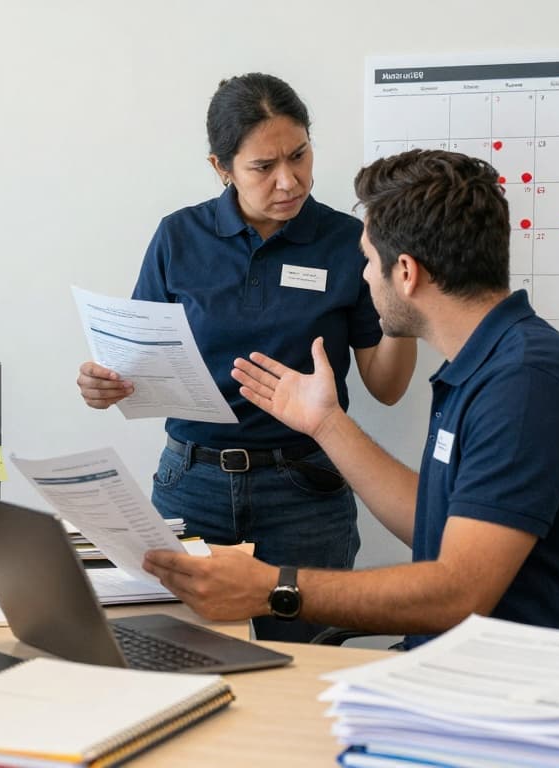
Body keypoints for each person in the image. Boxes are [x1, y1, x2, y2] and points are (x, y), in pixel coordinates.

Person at [142, 149, 559, 647]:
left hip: (536, 683)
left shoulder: (527, 385)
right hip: (476, 664)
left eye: (368, 261)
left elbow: (458, 593)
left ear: (406, 272)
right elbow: (436, 523)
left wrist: (274, 587)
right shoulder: (489, 364)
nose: (361, 276)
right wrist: (325, 424)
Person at [76, 73, 417, 641]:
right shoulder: (178, 237)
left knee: (308, 667)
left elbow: (387, 386)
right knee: (180, 655)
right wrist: (102, 385)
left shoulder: (346, 239)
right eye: (264, 167)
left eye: (300, 155)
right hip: (193, 482)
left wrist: (402, 304)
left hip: (305, 488)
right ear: (221, 168)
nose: (290, 180)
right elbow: (133, 364)